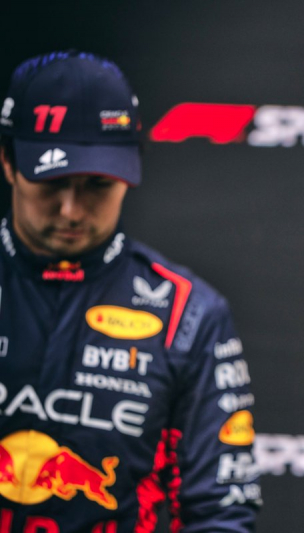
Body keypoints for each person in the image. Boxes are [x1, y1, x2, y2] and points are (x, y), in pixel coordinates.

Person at [0, 51, 260, 531]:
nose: (72, 210)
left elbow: (220, 511)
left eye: (97, 185)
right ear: (8, 162)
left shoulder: (187, 313)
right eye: (51, 182)